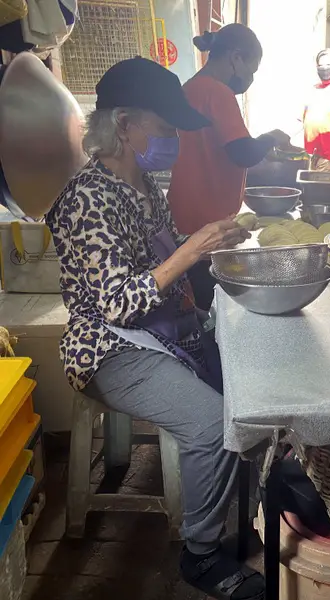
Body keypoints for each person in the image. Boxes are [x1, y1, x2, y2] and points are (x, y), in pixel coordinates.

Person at [45, 57, 264, 600]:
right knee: (212, 425)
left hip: (164, 331)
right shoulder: (87, 199)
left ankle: (244, 511)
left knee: (257, 394)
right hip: (108, 348)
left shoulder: (146, 187)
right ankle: (201, 553)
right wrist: (193, 248)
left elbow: (170, 265)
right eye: (166, 130)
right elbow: (117, 304)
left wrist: (219, 246)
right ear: (125, 126)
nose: (174, 142)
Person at [168, 24, 289, 310]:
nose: (250, 78)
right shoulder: (217, 92)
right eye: (252, 69)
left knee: (191, 298)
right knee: (211, 306)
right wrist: (272, 137)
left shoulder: (190, 88)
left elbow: (213, 149)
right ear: (236, 58)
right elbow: (243, 152)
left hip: (181, 213)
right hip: (205, 221)